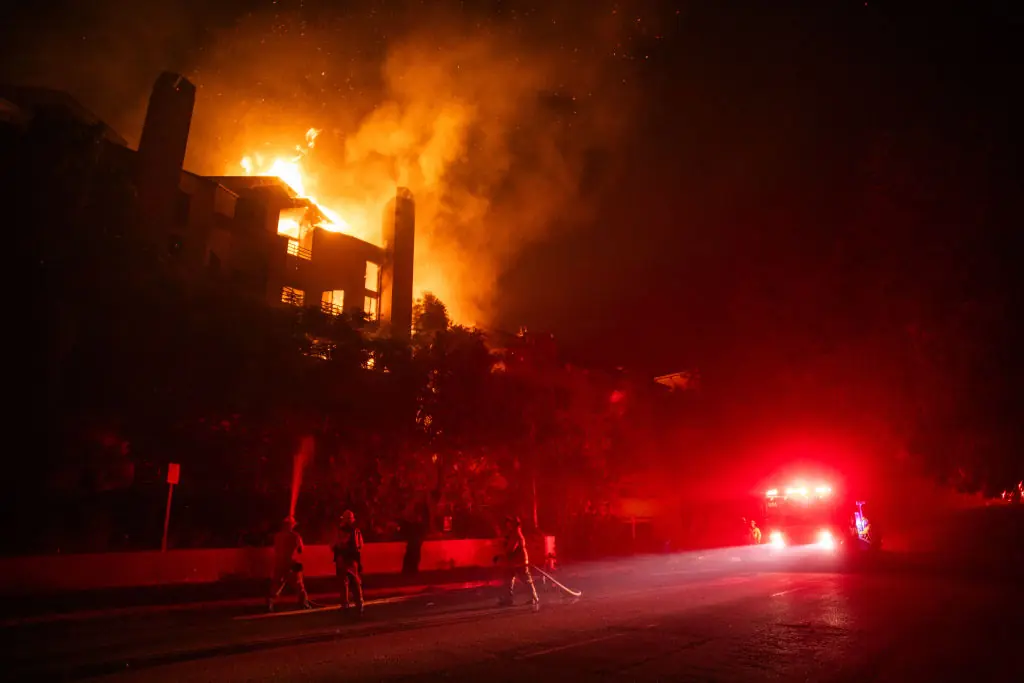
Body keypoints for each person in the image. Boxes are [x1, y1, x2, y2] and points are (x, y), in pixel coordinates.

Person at [268, 516, 310, 612]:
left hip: (279, 563)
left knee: (276, 584)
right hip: (291, 564)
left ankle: (270, 602)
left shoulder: (277, 536)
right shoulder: (295, 536)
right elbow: (300, 550)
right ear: (292, 525)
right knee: (299, 585)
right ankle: (304, 604)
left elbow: (276, 549)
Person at [499, 516, 538, 610]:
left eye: (509, 522)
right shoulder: (512, 533)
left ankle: (534, 597)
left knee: (525, 579)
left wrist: (503, 552)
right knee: (508, 580)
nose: (507, 524)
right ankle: (508, 599)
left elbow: (511, 548)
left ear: (514, 524)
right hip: (512, 561)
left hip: (519, 561)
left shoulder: (516, 534)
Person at [331, 510, 364, 617]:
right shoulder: (356, 531)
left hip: (343, 560)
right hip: (352, 561)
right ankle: (359, 605)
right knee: (355, 583)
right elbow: (360, 546)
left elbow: (333, 546)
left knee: (344, 584)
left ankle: (346, 606)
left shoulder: (339, 531)